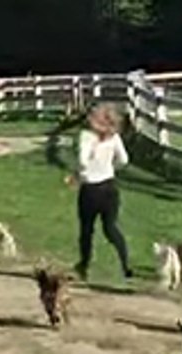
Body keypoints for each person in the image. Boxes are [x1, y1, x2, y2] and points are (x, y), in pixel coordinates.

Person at [70, 103, 132, 281]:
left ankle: (84, 264)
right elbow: (124, 160)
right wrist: (109, 167)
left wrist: (79, 172)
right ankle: (125, 263)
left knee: (87, 229)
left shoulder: (86, 136)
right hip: (109, 188)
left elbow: (82, 161)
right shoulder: (114, 138)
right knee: (111, 227)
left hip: (90, 189)